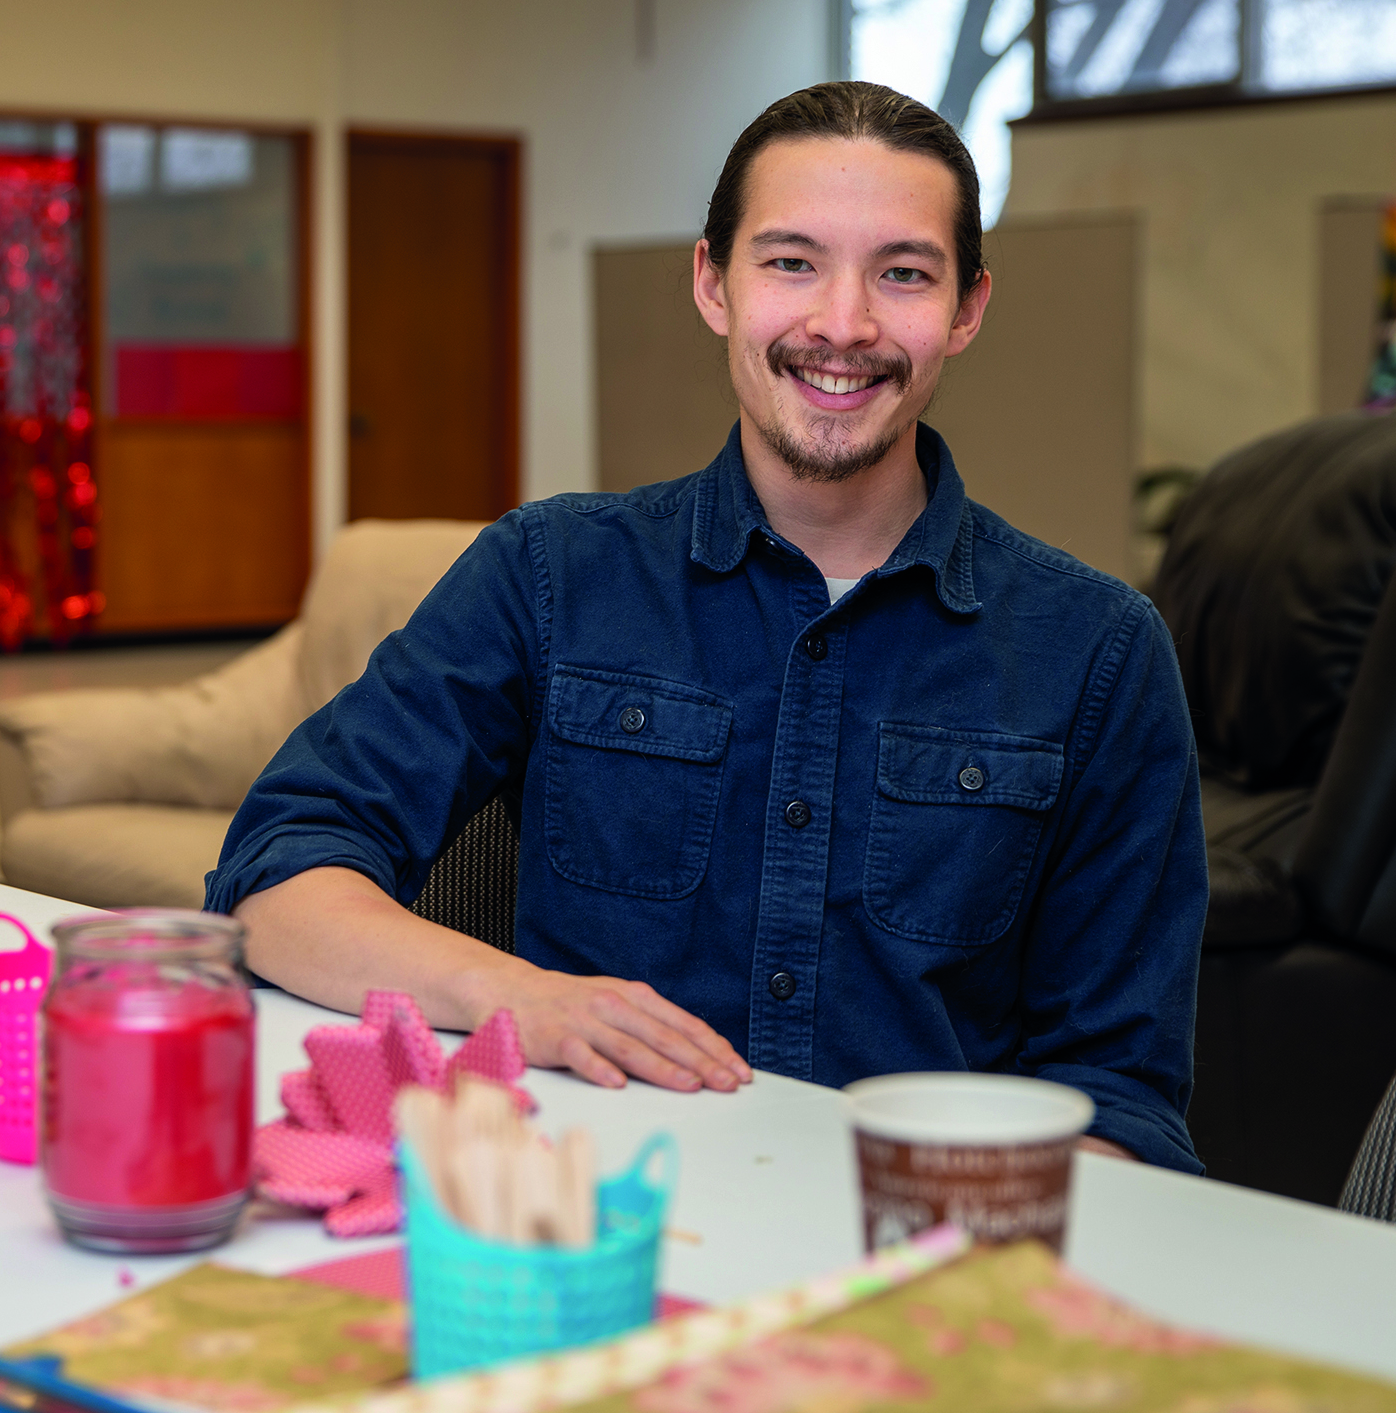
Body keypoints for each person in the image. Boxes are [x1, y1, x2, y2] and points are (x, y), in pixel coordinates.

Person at [204, 81, 1204, 1171]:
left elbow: (1117, 1098)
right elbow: (277, 875)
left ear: (966, 309)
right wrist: (520, 998)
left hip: (911, 1249)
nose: (843, 322)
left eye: (903, 272)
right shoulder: (550, 573)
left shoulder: (1099, 650)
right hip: (589, 1220)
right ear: (711, 282)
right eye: (791, 261)